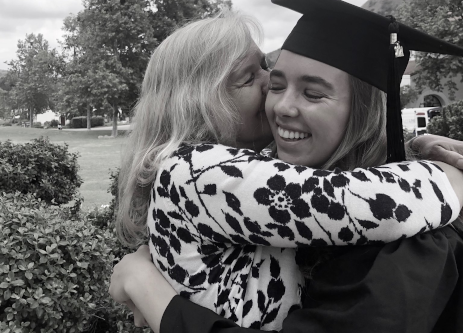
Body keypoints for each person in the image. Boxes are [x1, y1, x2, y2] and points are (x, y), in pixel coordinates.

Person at [111, 4, 463, 333]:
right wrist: (448, 176)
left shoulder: (408, 252)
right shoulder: (198, 170)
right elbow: (355, 200)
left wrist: (148, 290)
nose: (274, 96)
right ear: (200, 101)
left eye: (312, 93)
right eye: (254, 79)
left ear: (362, 112)